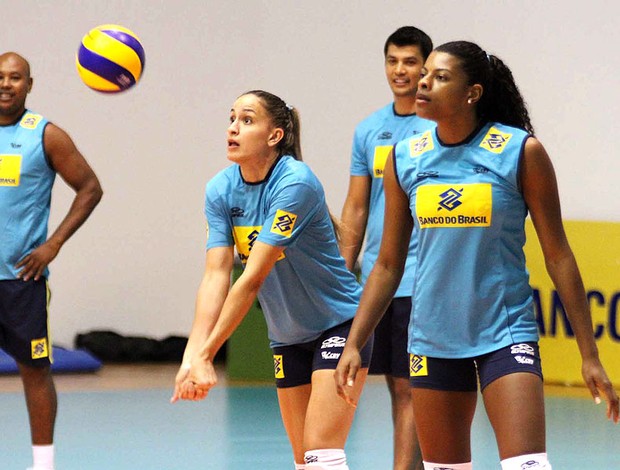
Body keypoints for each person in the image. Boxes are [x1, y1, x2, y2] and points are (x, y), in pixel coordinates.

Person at [334, 41, 619, 470]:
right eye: (425, 73)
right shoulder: (405, 158)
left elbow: (558, 256)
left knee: (528, 465)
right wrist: (354, 342)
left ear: (473, 93)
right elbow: (389, 264)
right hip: (431, 336)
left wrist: (589, 354)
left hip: (504, 332)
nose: (423, 82)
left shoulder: (520, 151)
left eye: (440, 76)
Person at [171, 90, 373, 470]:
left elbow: (251, 279)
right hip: (287, 335)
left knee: (321, 453)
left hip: (341, 325)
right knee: (303, 460)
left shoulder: (295, 183)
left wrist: (206, 354)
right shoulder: (220, 190)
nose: (233, 128)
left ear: (275, 135)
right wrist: (191, 354)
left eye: (246, 120)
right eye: (231, 118)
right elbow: (216, 274)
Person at [0, 52, 103, 470]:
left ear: (29, 84)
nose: (6, 83)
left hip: (20, 277)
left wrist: (54, 244)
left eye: (15, 77)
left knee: (34, 369)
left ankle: (43, 464)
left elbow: (90, 188)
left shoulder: (45, 134)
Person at [339, 26, 433, 470]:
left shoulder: (437, 126)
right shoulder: (369, 130)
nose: (400, 70)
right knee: (363, 379)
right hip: (378, 277)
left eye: (410, 62)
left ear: (426, 69)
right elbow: (356, 207)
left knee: (409, 385)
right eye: (393, 61)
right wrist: (343, 269)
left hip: (421, 275)